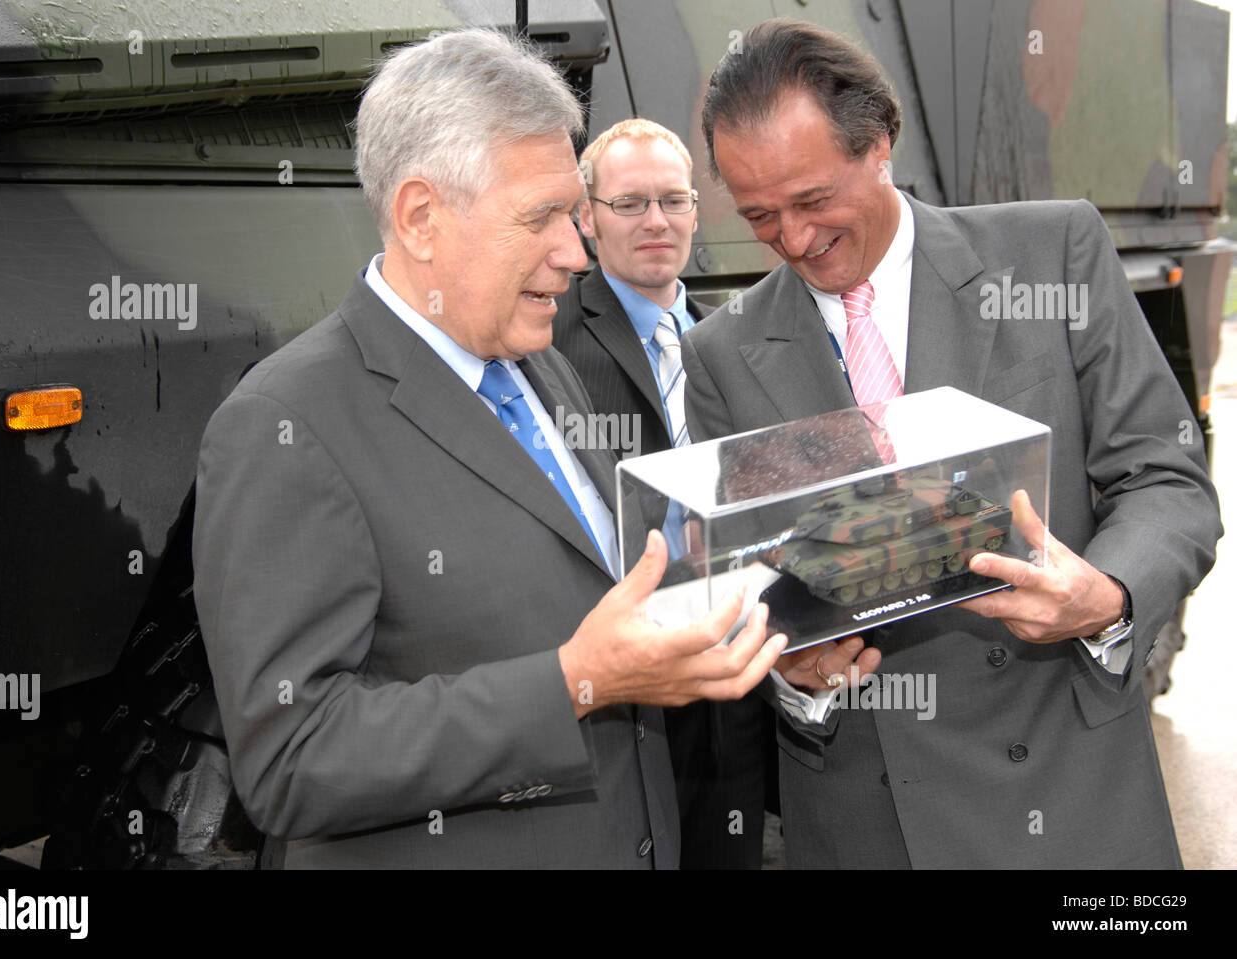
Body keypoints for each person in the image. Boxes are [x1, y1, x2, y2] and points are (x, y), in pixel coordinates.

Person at [191, 28, 784, 870]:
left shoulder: (542, 367)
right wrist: (574, 680)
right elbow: (290, 760)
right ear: (421, 217)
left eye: (573, 215)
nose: (575, 255)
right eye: (540, 218)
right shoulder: (283, 425)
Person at [682, 18, 1222, 868]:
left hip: (1071, 801)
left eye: (814, 200)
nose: (792, 239)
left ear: (879, 143)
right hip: (873, 823)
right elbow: (746, 582)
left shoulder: (1051, 254)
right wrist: (793, 669)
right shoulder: (720, 353)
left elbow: (1167, 480)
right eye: (759, 216)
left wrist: (1108, 592)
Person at [552, 118, 774, 869]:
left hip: (731, 678)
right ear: (586, 215)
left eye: (673, 200)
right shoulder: (545, 341)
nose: (656, 220)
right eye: (629, 203)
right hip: (624, 690)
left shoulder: (732, 343)